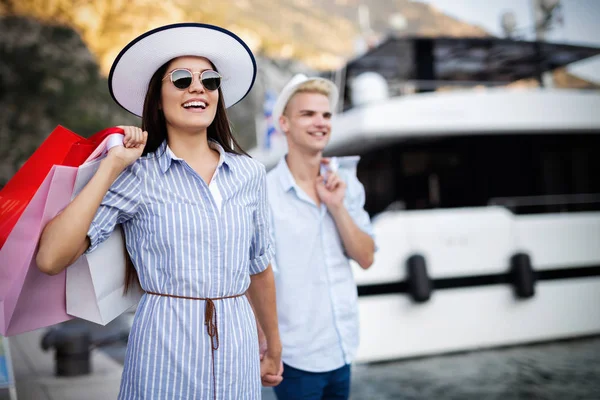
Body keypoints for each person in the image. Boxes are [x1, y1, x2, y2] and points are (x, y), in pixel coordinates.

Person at [36, 23, 282, 399]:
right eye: (181, 79)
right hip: (163, 348)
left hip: (238, 346)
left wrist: (274, 348)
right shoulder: (137, 175)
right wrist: (110, 166)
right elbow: (52, 258)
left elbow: (260, 268)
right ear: (158, 98)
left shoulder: (249, 173)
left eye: (209, 79)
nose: (198, 87)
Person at [266, 74, 376, 400]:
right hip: (295, 357)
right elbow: (257, 278)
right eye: (308, 114)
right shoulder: (263, 193)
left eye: (326, 115)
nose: (321, 122)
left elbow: (366, 258)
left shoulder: (346, 185)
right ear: (284, 123)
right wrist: (268, 347)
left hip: (342, 348)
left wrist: (337, 207)